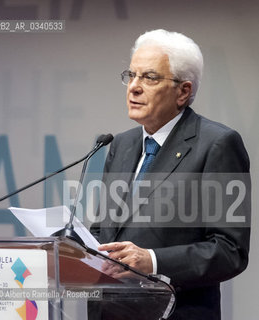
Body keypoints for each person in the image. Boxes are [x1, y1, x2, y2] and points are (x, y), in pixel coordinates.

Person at [92, 29, 251, 319]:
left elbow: (230, 251)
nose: (134, 87)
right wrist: (73, 249)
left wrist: (152, 261)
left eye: (150, 77)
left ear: (183, 91)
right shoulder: (121, 145)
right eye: (132, 74)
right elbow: (105, 231)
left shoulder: (217, 144)